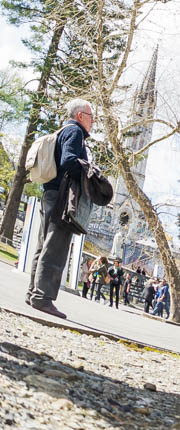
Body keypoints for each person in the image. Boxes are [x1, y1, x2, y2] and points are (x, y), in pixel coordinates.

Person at [25, 98, 94, 318]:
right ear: (80, 116)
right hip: (63, 197)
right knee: (56, 246)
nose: (93, 122)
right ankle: (43, 298)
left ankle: (33, 293)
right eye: (92, 117)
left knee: (43, 244)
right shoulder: (75, 133)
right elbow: (68, 161)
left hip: (50, 193)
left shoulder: (63, 131)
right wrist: (89, 174)